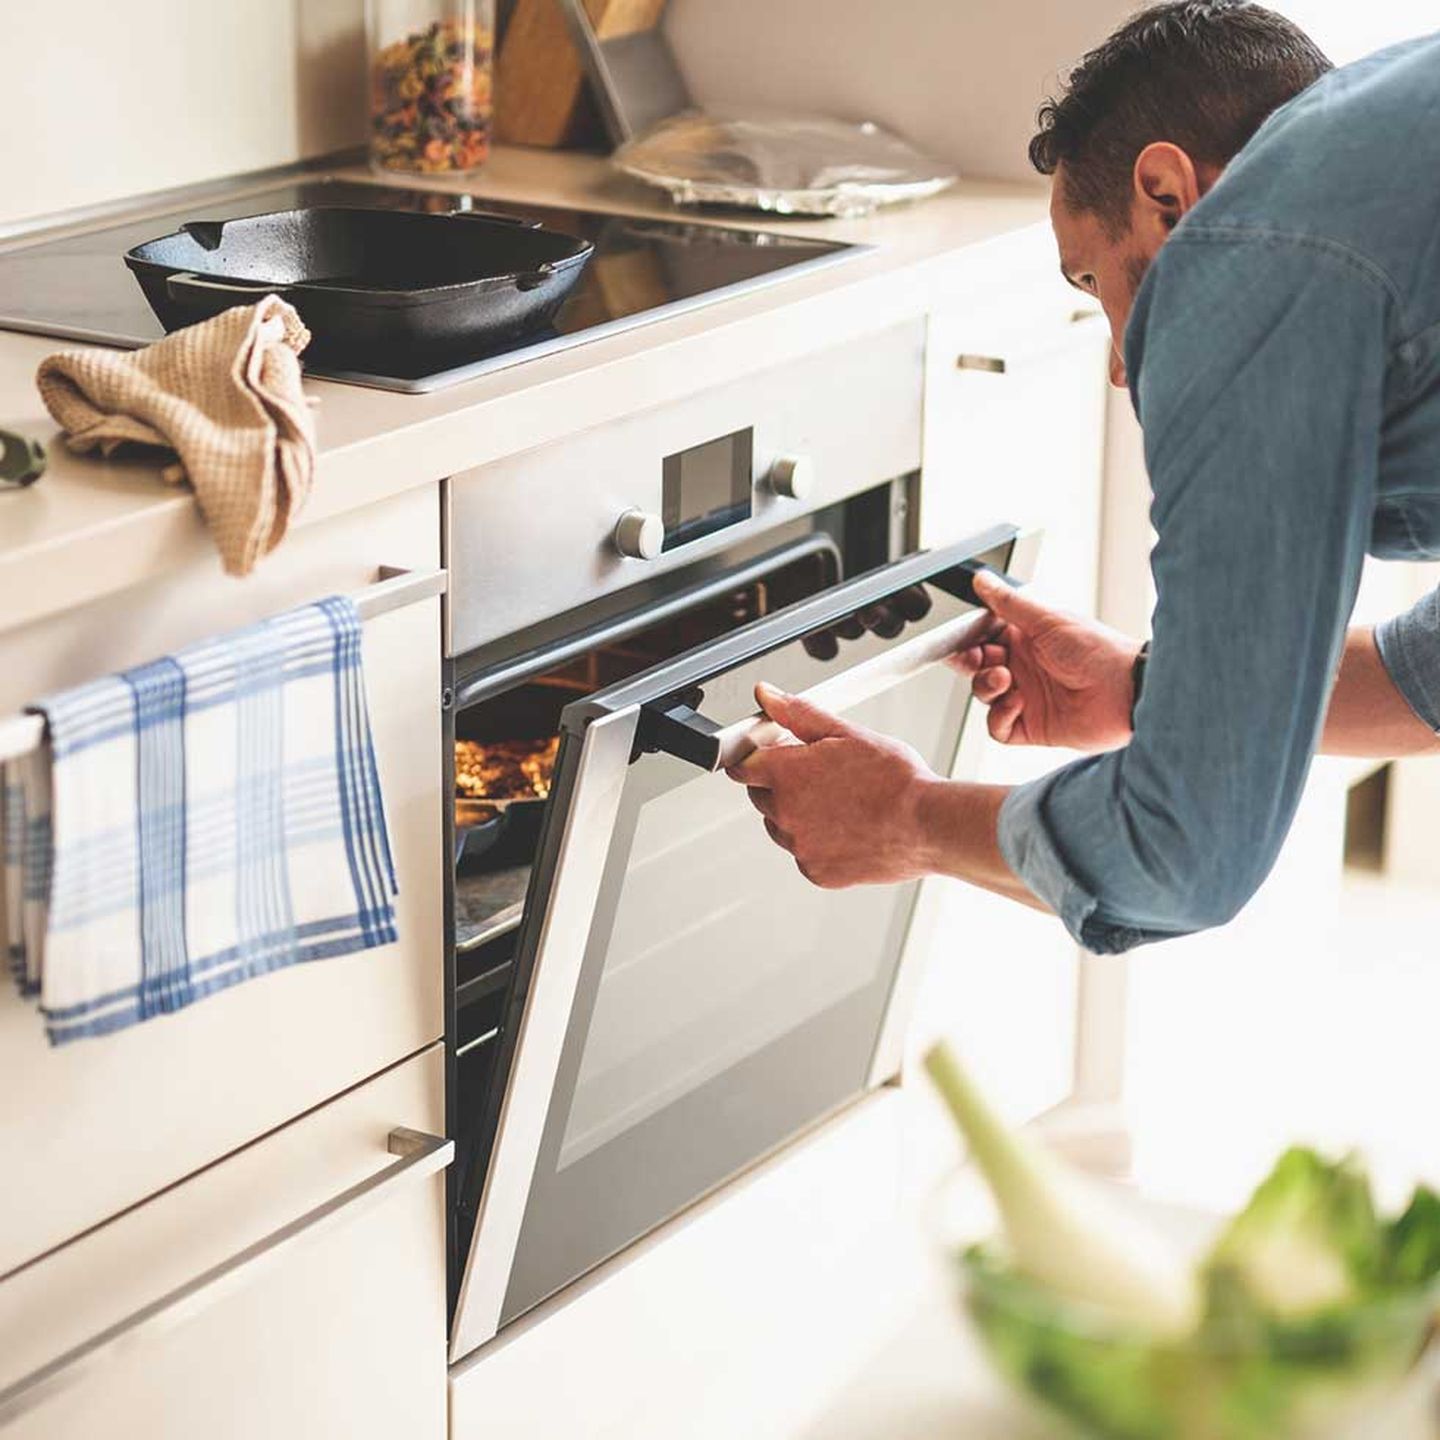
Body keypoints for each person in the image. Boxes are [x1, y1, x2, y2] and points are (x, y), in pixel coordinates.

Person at [729, 1, 1440, 953]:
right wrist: (1146, 688)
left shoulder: (1248, 258)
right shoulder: (1386, 165)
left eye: (1091, 282)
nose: (1119, 364)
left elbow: (1186, 852)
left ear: (1167, 194)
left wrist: (907, 819)